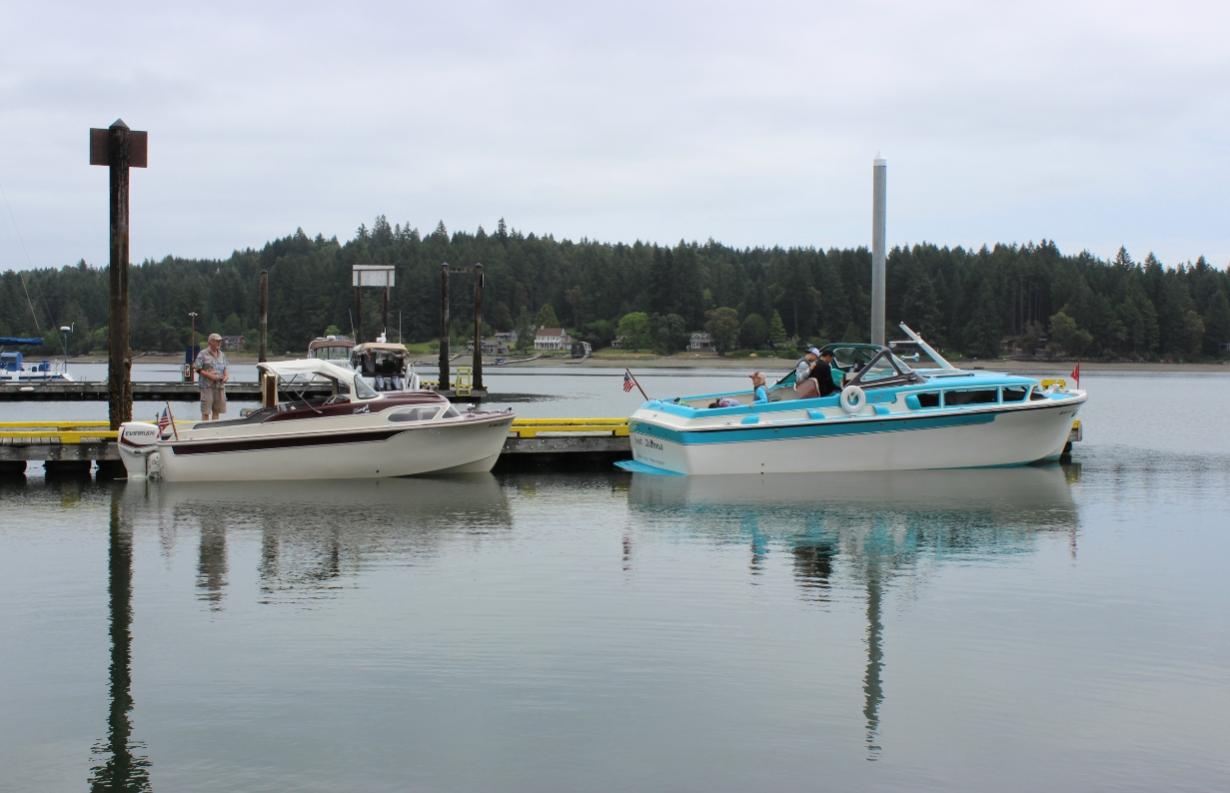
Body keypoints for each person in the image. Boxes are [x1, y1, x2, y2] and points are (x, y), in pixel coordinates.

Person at [195, 332, 230, 420]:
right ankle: (204, 427)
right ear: (210, 342)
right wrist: (210, 375)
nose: (219, 343)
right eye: (217, 341)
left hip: (219, 386)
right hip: (207, 387)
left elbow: (225, 368)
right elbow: (197, 368)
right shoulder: (203, 353)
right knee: (206, 411)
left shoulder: (222, 354)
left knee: (217, 411)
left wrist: (226, 376)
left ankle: (214, 427)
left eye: (220, 341)